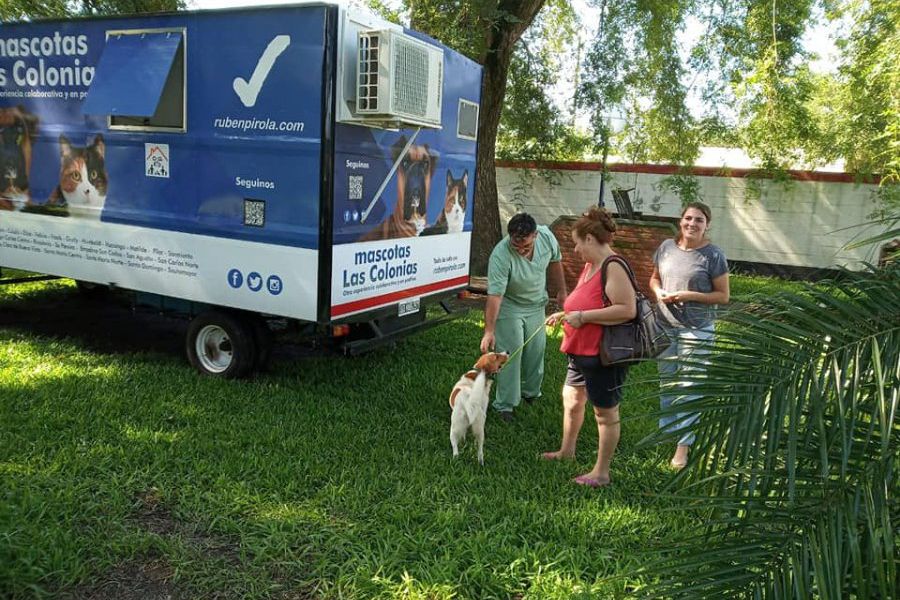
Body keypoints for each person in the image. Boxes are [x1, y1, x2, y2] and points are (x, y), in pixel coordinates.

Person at [543, 207, 636, 487]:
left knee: (605, 414)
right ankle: (566, 452)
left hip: (603, 355)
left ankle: (601, 473)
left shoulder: (614, 266)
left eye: (577, 242)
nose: (574, 249)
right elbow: (586, 301)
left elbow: (627, 309)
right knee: (571, 401)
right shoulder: (589, 266)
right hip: (579, 351)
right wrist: (566, 314)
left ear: (591, 240)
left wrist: (583, 317)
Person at [649, 201, 729, 469]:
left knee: (690, 387)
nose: (692, 224)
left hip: (696, 330)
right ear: (680, 220)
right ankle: (668, 431)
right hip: (666, 325)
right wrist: (658, 292)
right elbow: (654, 278)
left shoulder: (713, 255)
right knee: (668, 382)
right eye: (688, 218)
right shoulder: (666, 248)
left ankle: (683, 448)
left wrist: (688, 295)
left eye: (699, 220)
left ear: (707, 225)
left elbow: (723, 296)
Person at [480, 213, 567, 422]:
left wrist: (562, 291)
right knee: (512, 352)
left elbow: (556, 262)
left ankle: (531, 393)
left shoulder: (547, 238)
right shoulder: (501, 255)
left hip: (536, 305)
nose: (520, 250)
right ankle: (505, 405)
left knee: (536, 350)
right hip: (510, 306)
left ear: (535, 235)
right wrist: (489, 330)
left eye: (525, 246)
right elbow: (495, 295)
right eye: (515, 245)